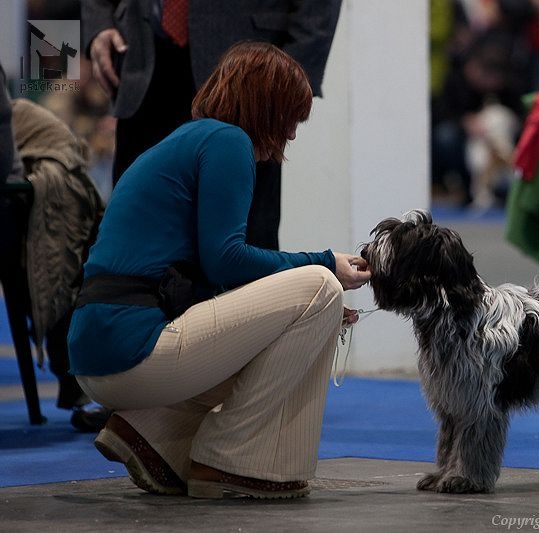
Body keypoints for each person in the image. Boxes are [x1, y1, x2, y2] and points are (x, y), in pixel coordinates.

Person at [67, 42, 371, 500]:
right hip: (132, 346)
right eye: (291, 115)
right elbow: (226, 260)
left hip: (101, 348)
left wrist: (304, 317)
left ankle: (156, 435)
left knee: (313, 306)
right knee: (321, 289)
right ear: (266, 105)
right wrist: (326, 264)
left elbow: (210, 273)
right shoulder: (228, 143)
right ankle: (232, 462)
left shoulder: (191, 140)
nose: (291, 133)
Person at [81, 0, 342, 248]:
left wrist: (287, 86)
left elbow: (318, 11)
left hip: (247, 84)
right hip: (141, 70)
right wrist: (98, 22)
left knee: (243, 252)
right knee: (136, 243)